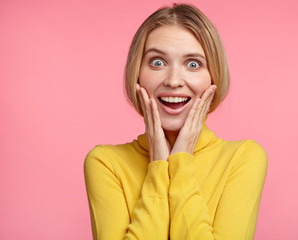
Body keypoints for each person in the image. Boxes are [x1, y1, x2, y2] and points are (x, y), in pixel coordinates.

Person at [84, 3, 267, 240]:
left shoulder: (243, 158)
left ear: (214, 76)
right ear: (137, 74)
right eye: (157, 62)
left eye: (193, 64)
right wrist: (159, 166)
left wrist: (179, 162)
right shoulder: (105, 163)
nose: (173, 81)